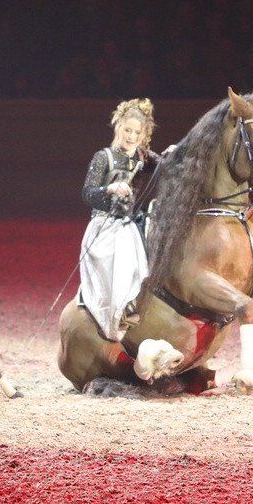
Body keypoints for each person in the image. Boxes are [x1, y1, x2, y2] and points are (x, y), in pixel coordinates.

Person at [78, 97, 160, 341]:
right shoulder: (103, 157)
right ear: (118, 127)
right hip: (103, 227)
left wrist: (173, 155)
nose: (131, 136)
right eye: (128, 130)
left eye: (137, 132)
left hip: (127, 228)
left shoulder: (142, 158)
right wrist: (110, 190)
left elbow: (164, 165)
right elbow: (87, 194)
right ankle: (114, 315)